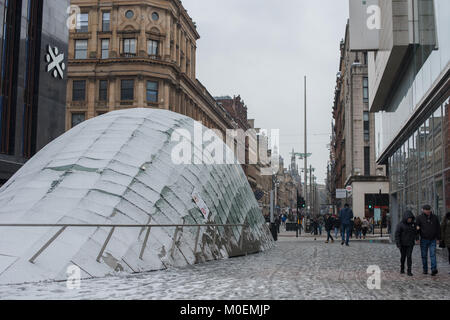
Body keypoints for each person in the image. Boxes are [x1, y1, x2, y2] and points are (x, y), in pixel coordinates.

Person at [416, 205, 441, 276]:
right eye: (426, 210)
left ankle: (433, 269)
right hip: (423, 239)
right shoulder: (419, 218)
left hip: (433, 239)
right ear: (423, 210)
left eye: (428, 210)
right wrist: (417, 238)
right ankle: (425, 269)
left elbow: (438, 228)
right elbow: (417, 229)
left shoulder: (435, 217)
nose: (428, 211)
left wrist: (438, 238)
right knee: (424, 255)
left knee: (433, 254)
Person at [395, 211, 418, 276]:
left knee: (409, 256)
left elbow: (416, 232)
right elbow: (397, 235)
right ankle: (402, 268)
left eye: (410, 218)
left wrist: (417, 238)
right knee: (403, 257)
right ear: (405, 218)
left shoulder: (413, 224)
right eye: (408, 218)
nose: (409, 220)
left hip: (410, 244)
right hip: (403, 244)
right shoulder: (400, 225)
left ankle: (409, 270)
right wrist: (398, 244)